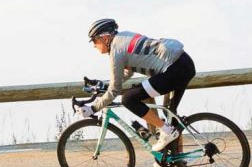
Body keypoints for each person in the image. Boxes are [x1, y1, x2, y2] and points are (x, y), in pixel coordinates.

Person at [76, 18, 196, 152]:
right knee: (170, 113)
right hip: (185, 63)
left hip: (173, 69)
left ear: (105, 37)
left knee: (129, 99)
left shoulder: (116, 51)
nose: (94, 45)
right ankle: (177, 159)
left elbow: (114, 90)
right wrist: (106, 85)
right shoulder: (124, 37)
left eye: (94, 40)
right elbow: (127, 72)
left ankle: (167, 131)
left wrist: (93, 108)